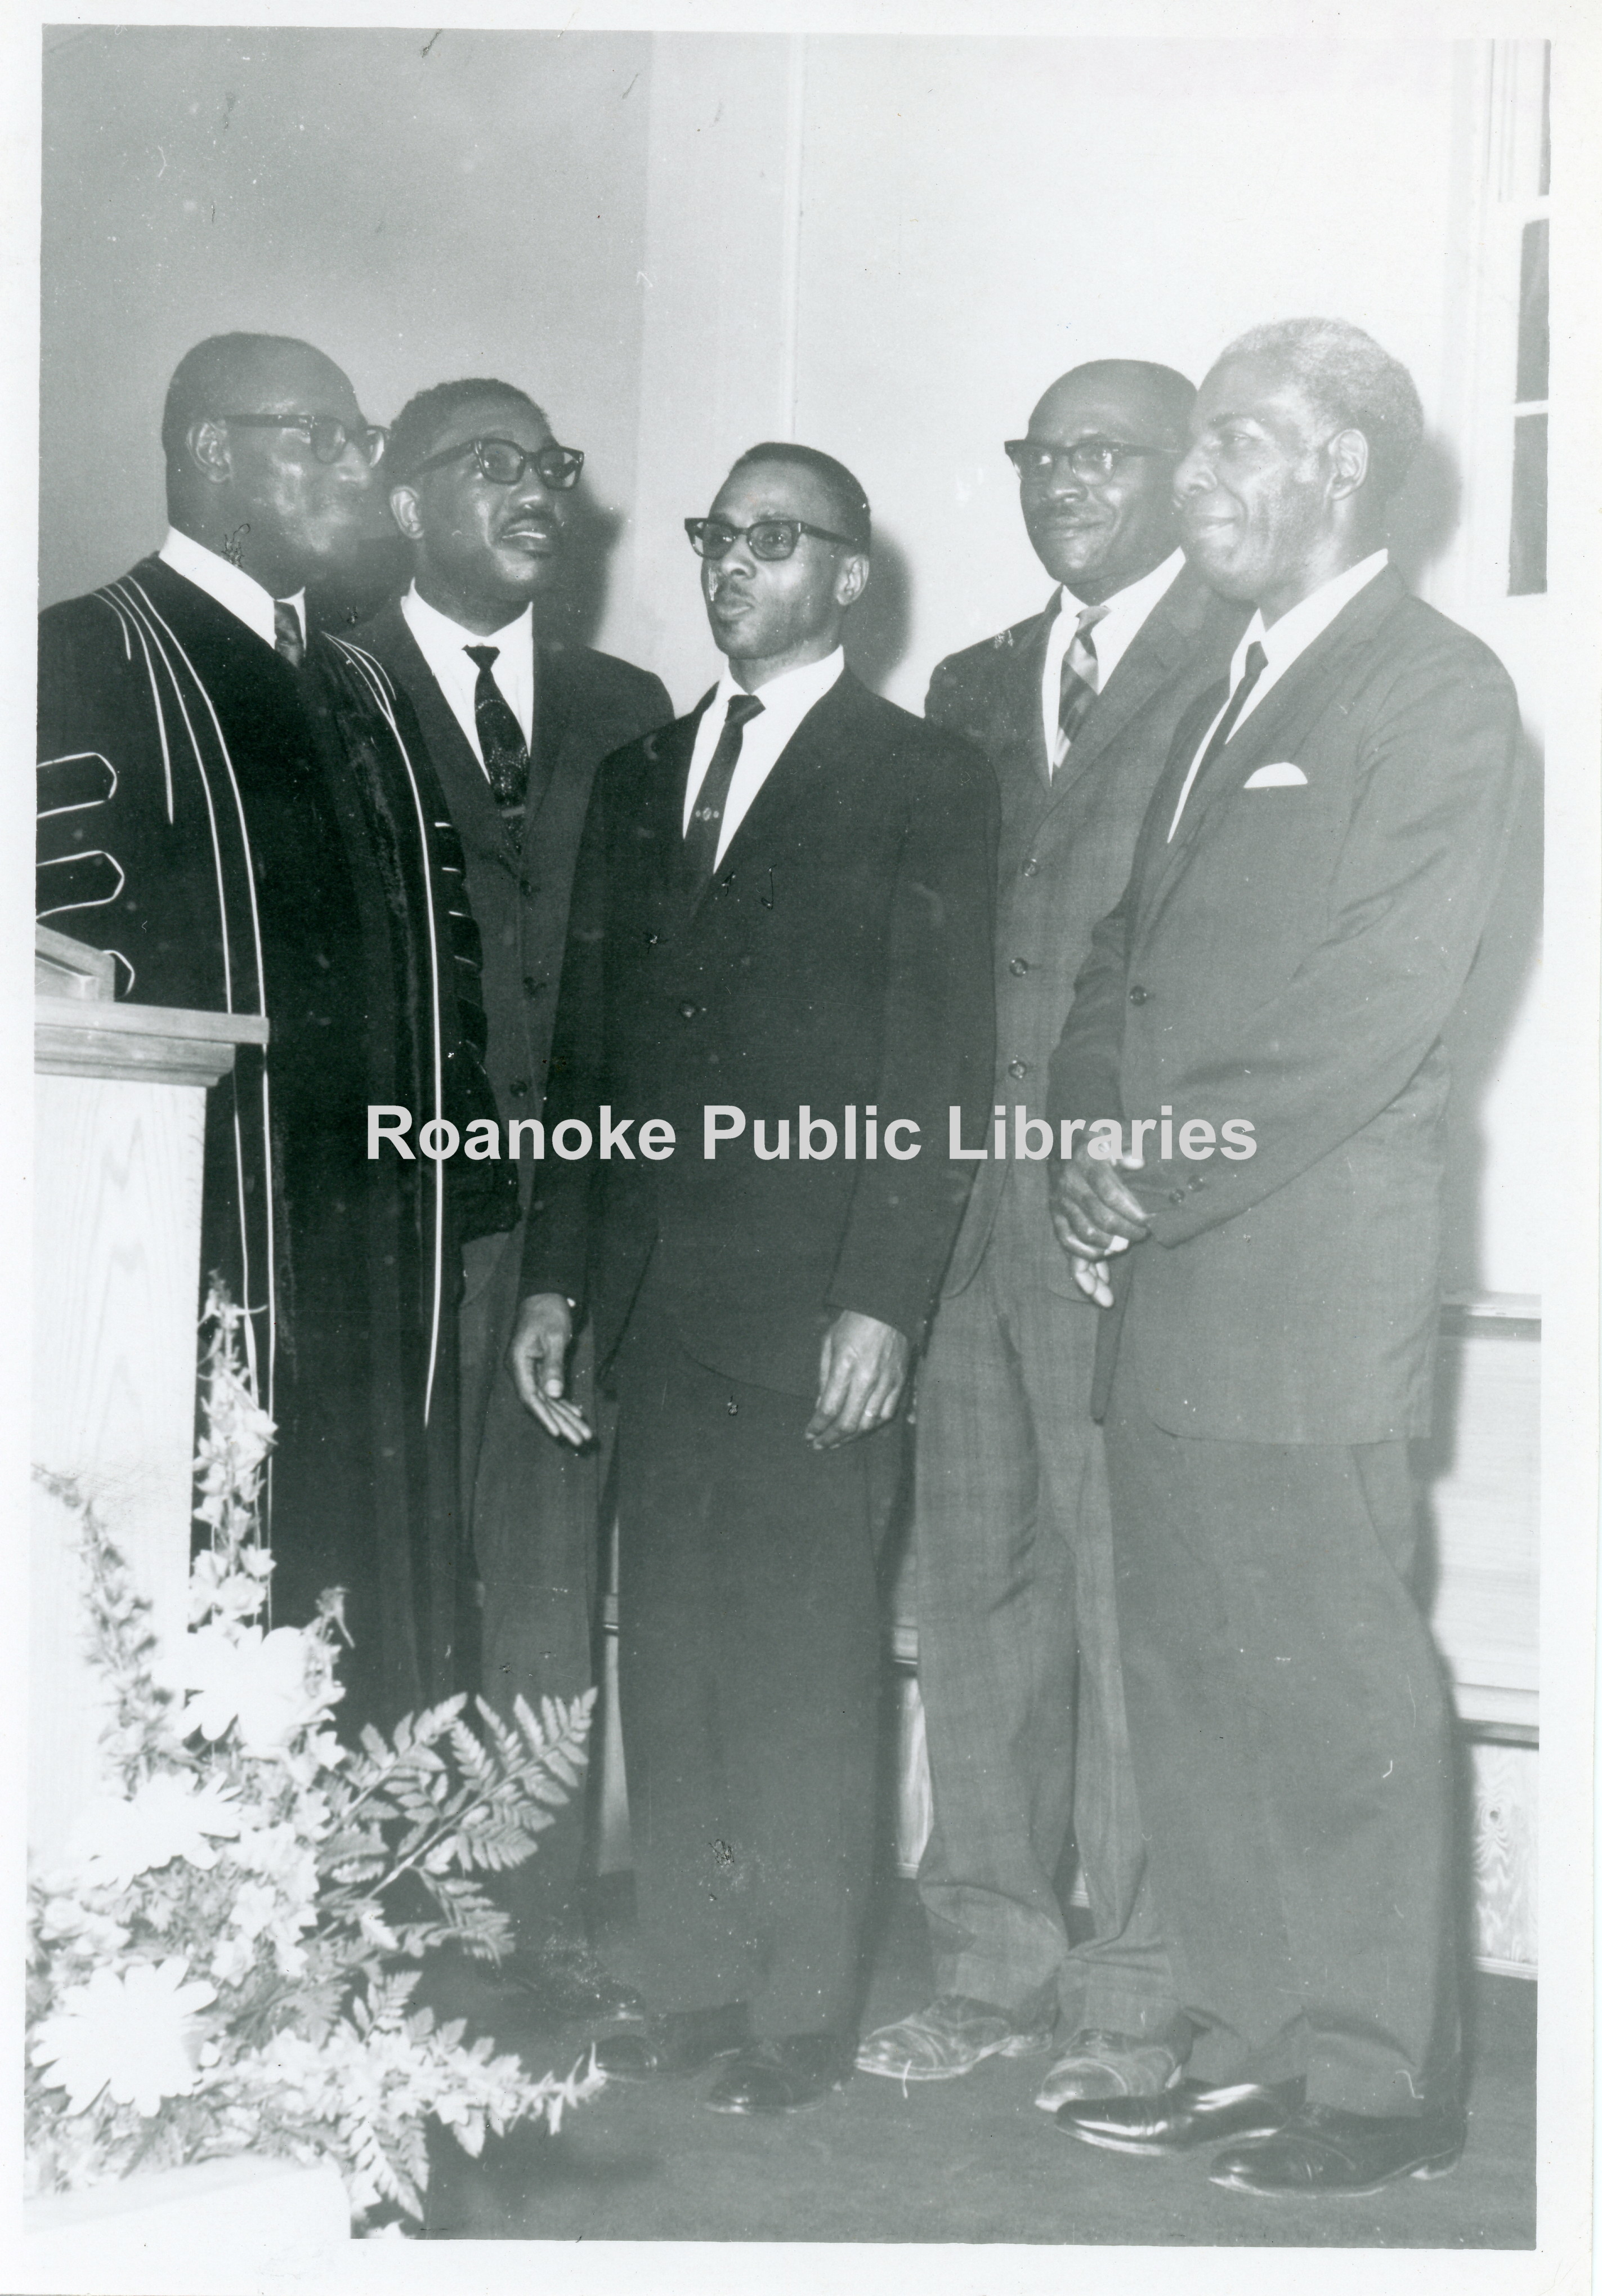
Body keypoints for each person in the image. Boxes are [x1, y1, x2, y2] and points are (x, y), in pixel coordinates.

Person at [1045, 318, 1520, 2195]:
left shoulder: (1433, 694)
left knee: (1326, 1683)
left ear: (1335, 470)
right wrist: (1087, 1136)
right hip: (1164, 1280)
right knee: (1192, 1679)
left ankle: (1380, 2085)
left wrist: (1145, 1171)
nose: (1191, 477)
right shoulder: (1207, 696)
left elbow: (1369, 1017)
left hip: (1304, 1289)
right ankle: (1253, 2045)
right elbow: (1111, 970)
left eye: (1231, 443)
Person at [508, 444, 996, 2113]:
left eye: (772, 543)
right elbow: (584, 1056)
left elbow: (937, 1061)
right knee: (683, 1660)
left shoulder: (922, 776)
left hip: (810, 1307)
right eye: (718, 538)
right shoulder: (641, 774)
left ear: (847, 577)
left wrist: (882, 1296)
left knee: (800, 1661)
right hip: (650, 1295)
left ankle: (800, 2011)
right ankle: (695, 1987)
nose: (730, 568)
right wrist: (559, 1283)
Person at [856, 362, 1248, 2110]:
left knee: (1125, 1597)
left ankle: (1135, 1996)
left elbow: (1230, 958)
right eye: (1041, 453)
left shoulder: (1234, 659)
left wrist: (1138, 1163)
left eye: (1106, 453)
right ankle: (994, 1961)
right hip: (960, 1216)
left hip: (1120, 1219)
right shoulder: (966, 683)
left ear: (1181, 476)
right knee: (977, 1587)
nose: (1066, 479)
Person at [36, 332, 514, 1729]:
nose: (359, 465)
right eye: (317, 434)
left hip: (382, 1236)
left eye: (358, 434)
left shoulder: (360, 683)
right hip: (202, 1240)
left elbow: (443, 948)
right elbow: (65, 973)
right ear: (208, 453)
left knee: (378, 1571)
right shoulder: (88, 653)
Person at [348, 379, 669, 1977]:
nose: (537, 488)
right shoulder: (329, 682)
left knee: (547, 1570)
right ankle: (386, 1918)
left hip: (569, 1221)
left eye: (552, 462)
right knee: (396, 1561)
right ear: (403, 502)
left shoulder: (630, 706)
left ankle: (524, 1933)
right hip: (395, 1221)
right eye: (492, 464)